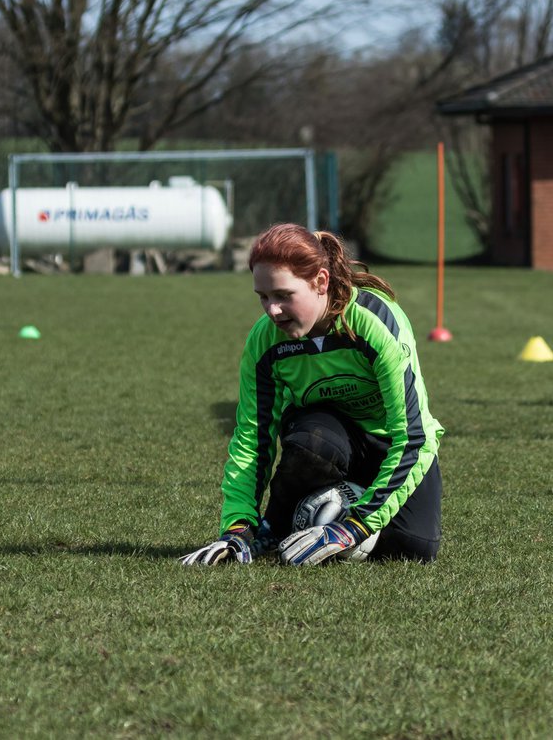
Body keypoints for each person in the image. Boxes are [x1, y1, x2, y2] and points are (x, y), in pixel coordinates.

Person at [181, 223, 443, 566]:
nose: (272, 311)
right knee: (312, 441)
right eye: (263, 297)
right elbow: (252, 438)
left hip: (389, 445)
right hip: (328, 440)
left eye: (283, 296)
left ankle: (337, 519)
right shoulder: (265, 341)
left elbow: (414, 437)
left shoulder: (374, 322)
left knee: (416, 548)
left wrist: (355, 527)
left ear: (320, 282)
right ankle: (270, 531)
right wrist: (238, 526)